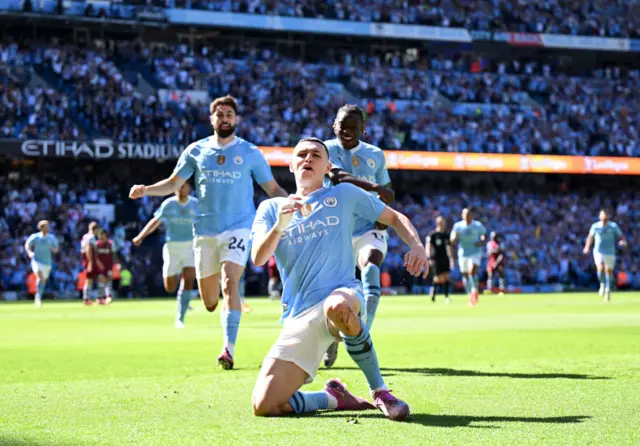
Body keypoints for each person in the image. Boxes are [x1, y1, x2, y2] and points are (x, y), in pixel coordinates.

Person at [250, 137, 429, 421]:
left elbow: (395, 217)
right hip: (299, 314)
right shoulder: (271, 209)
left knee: (336, 306)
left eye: (316, 155)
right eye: (302, 154)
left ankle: (380, 391)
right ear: (291, 164)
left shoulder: (344, 194)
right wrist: (280, 225)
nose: (308, 158)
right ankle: (333, 397)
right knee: (265, 405)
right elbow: (258, 258)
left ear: (327, 166)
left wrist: (417, 246)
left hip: (342, 293)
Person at [129, 95, 287, 369]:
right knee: (211, 302)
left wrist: (296, 204)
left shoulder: (250, 152)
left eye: (229, 114)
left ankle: (229, 349)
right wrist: (146, 190)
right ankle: (218, 315)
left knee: (230, 282)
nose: (224, 118)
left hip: (239, 226)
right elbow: (173, 183)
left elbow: (272, 189)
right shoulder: (196, 151)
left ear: (236, 119)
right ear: (211, 118)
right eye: (220, 114)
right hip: (204, 231)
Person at [323, 104, 395, 368]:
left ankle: (363, 336)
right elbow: (336, 176)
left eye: (354, 127)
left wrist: (383, 212)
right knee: (331, 293)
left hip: (367, 229)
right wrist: (374, 188)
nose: (348, 132)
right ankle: (330, 341)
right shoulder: (326, 149)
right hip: (335, 229)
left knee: (371, 267)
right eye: (343, 126)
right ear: (335, 126)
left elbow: (388, 190)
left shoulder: (375, 155)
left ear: (363, 129)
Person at [133, 182, 198, 328]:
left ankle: (180, 318)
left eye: (184, 186)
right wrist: (140, 236)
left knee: (189, 280)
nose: (181, 189)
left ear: (189, 189)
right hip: (172, 248)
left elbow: (206, 222)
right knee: (170, 287)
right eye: (179, 186)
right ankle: (182, 298)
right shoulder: (168, 204)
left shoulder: (195, 204)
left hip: (190, 246)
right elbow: (155, 222)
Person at [583, 209, 627, 302]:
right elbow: (590, 237)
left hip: (610, 252)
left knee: (608, 271)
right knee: (600, 268)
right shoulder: (595, 226)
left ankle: (608, 289)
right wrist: (587, 247)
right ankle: (602, 284)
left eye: (605, 215)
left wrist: (622, 241)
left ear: (608, 216)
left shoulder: (613, 226)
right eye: (602, 215)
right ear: (600, 216)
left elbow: (620, 236)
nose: (604, 217)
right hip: (598, 251)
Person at [450, 208, 486, 306]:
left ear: (471, 215)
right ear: (462, 215)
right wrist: (453, 238)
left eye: (469, 214)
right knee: (465, 275)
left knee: (472, 271)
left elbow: (484, 235)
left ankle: (475, 291)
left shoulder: (477, 225)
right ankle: (469, 294)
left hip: (475, 252)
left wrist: (481, 241)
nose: (467, 216)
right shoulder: (458, 226)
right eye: (465, 214)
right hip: (463, 253)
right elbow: (452, 238)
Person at [24, 220, 59, 308]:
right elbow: (27, 244)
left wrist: (53, 249)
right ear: (41, 228)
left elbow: (56, 249)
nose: (48, 227)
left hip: (47, 262)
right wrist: (29, 252)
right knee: (40, 276)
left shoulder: (52, 237)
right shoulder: (35, 237)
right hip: (37, 261)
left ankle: (39, 295)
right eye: (46, 226)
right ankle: (38, 298)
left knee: (43, 280)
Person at [426, 216, 454, 304]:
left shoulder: (446, 235)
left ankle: (446, 297)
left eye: (444, 223)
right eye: (441, 223)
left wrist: (451, 258)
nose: (443, 224)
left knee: (446, 277)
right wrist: (429, 257)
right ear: (437, 223)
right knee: (437, 278)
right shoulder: (432, 234)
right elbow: (428, 246)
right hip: (435, 258)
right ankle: (433, 293)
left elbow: (449, 247)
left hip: (445, 258)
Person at [95, 229, 117, 305]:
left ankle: (108, 297)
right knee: (101, 281)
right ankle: (100, 298)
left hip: (109, 266)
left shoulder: (110, 244)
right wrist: (98, 263)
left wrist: (116, 265)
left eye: (103, 234)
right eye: (100, 235)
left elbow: (114, 255)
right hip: (99, 267)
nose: (101, 236)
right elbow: (94, 256)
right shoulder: (96, 244)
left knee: (108, 281)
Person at [81, 222, 101, 305]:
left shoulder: (85, 236)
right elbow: (88, 248)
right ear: (95, 229)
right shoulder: (91, 237)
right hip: (90, 260)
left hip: (86, 259)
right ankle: (89, 298)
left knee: (90, 279)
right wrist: (90, 262)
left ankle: (87, 298)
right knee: (94, 279)